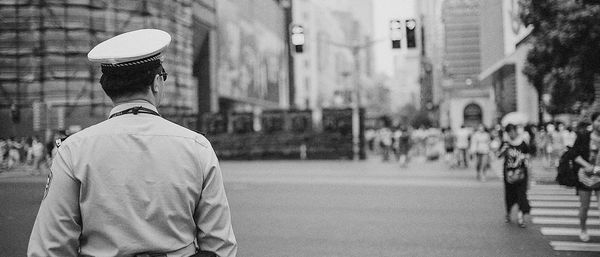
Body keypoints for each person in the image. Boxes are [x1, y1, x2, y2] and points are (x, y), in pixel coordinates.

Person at [28, 29, 237, 257]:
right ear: (157, 83)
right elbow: (220, 247)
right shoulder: (197, 147)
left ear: (108, 87)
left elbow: (50, 248)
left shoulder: (73, 150)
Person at [567, 112, 600, 242]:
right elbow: (574, 154)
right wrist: (587, 165)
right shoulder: (583, 136)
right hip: (585, 177)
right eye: (598, 120)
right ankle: (583, 228)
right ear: (593, 122)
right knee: (584, 206)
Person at [499, 124, 531, 228]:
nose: (511, 134)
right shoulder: (506, 143)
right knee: (509, 195)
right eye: (509, 132)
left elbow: (529, 154)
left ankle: (521, 217)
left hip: (521, 172)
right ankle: (508, 213)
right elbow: (498, 155)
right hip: (509, 174)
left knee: (521, 195)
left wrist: (524, 157)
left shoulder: (523, 143)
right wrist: (503, 150)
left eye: (513, 131)